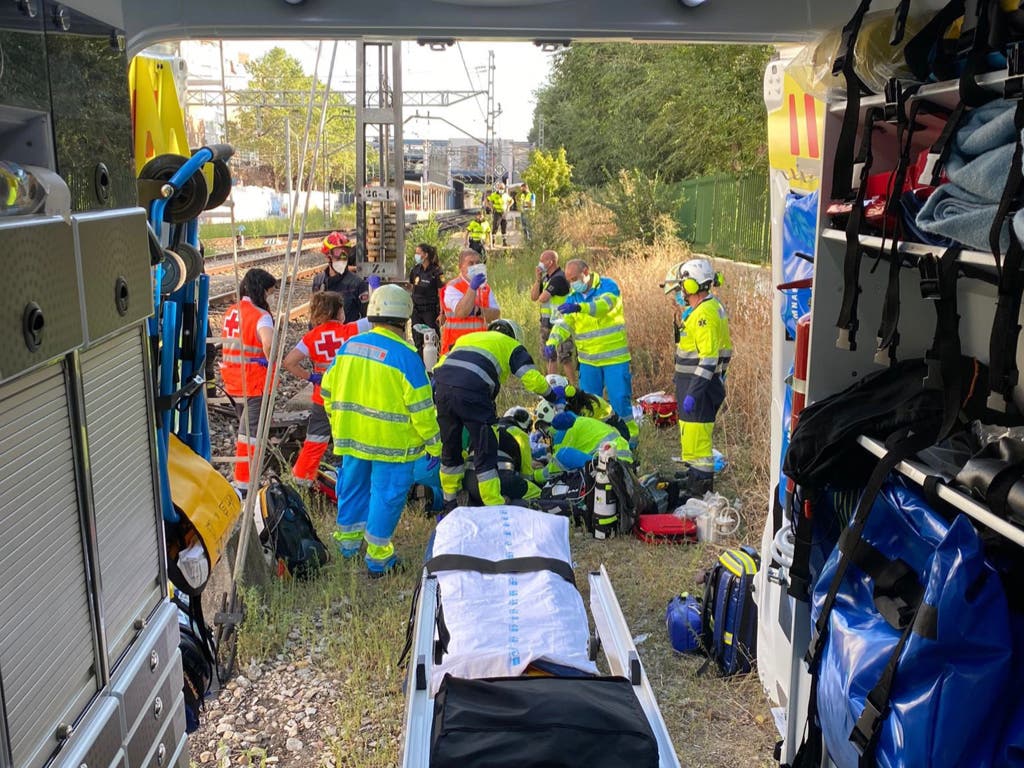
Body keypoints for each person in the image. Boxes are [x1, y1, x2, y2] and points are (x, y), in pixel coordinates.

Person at [321, 284, 441, 577]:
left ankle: (346, 545)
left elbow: (327, 390)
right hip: (392, 446)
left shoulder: (350, 347)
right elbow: (423, 411)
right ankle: (378, 558)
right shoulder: (407, 357)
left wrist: (341, 422)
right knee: (386, 497)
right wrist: (435, 446)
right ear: (405, 320)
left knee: (352, 489)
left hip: (351, 438)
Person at [432, 319, 564, 512]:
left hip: (443, 388)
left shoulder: (467, 338)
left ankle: (449, 502)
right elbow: (531, 378)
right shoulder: (510, 345)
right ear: (514, 336)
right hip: (474, 390)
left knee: (451, 447)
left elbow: (440, 366)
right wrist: (552, 396)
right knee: (485, 447)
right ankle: (493, 504)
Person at [282, 292, 370, 487]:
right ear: (338, 312)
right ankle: (351, 481)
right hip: (348, 397)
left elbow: (289, 362)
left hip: (322, 397)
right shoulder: (350, 330)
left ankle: (301, 480)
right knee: (350, 440)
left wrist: (312, 377)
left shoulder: (311, 337)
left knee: (315, 439)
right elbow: (374, 319)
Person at [545, 258, 637, 443]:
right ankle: (594, 441)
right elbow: (563, 323)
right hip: (589, 362)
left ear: (586, 272)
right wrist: (552, 341)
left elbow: (603, 307)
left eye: (574, 278)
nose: (572, 284)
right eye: (569, 280)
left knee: (620, 402)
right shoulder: (572, 297)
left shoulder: (608, 286)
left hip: (614, 360)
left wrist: (581, 307)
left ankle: (630, 442)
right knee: (588, 405)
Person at [661, 258, 732, 497]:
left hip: (700, 388)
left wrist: (693, 392)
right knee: (691, 437)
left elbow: (708, 360)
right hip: (693, 385)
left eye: (682, 286)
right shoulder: (702, 310)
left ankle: (700, 491)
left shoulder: (705, 315)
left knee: (699, 444)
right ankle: (693, 477)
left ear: (692, 285)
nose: (681, 291)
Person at [219, 268, 277, 495]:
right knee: (250, 434)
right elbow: (269, 343)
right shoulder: (260, 315)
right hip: (254, 382)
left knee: (245, 430)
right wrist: (272, 360)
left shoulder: (232, 311)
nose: (270, 297)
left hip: (233, 381)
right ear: (261, 290)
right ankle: (243, 485)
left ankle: (246, 477)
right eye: (270, 292)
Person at [532, 403, 632, 482]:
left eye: (544, 429)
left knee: (563, 455)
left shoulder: (563, 434)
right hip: (621, 459)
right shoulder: (577, 421)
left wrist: (535, 476)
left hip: (612, 464)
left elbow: (554, 469)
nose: (545, 434)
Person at [530, 249, 577, 384]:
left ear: (550, 262)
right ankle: (552, 385)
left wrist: (543, 290)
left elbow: (543, 298)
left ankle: (573, 386)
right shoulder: (545, 278)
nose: (540, 264)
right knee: (550, 357)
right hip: (546, 323)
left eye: (542, 260)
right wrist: (538, 280)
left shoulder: (559, 278)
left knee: (565, 356)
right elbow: (534, 297)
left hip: (560, 322)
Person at [440, 248, 500, 354]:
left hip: (480, 347)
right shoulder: (453, 287)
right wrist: (472, 288)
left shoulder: (485, 288)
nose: (475, 266)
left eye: (477, 263)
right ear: (460, 267)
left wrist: (478, 311)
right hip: (455, 348)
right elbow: (461, 312)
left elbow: (496, 314)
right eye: (471, 263)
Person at [547, 373, 630, 442]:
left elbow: (577, 432)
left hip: (617, 438)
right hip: (610, 435)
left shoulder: (586, 406)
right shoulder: (579, 400)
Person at [312, 231, 366, 322]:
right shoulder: (318, 281)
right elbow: (314, 316)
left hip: (349, 335)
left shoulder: (357, 284)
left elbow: (366, 318)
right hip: (327, 335)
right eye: (338, 252)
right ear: (328, 256)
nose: (342, 256)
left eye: (345, 252)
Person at [408, 242, 444, 356]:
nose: (416, 255)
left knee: (432, 338)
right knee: (417, 338)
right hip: (416, 310)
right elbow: (412, 288)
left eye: (418, 253)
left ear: (426, 255)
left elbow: (441, 293)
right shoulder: (415, 270)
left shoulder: (436, 271)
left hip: (430, 310)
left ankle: (435, 363)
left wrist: (442, 313)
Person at [485, 182, 510, 247]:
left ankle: (504, 242)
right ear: (498, 188)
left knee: (504, 227)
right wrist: (490, 207)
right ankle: (492, 242)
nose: (501, 189)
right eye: (500, 188)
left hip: (503, 213)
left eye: (502, 188)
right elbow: (487, 200)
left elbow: (511, 201)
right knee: (495, 227)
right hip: (497, 213)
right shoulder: (494, 195)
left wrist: (508, 207)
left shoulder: (506, 195)